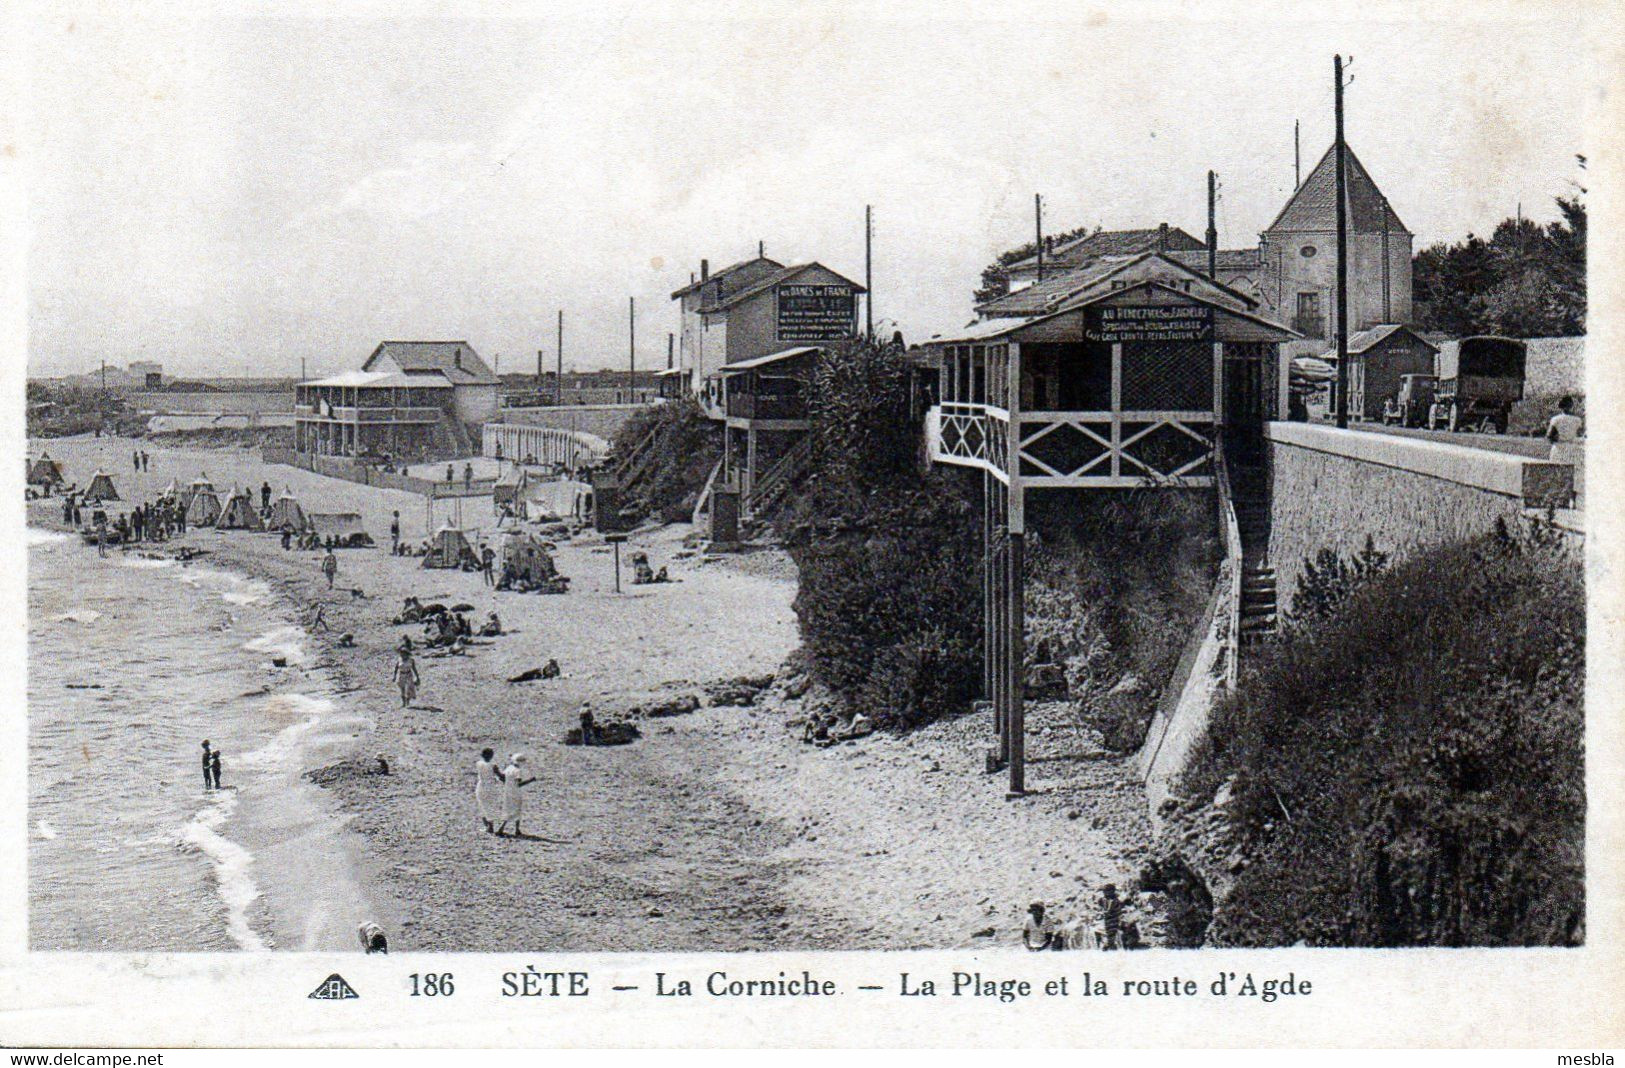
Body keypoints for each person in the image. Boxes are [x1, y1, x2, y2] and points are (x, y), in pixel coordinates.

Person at [496, 752, 535, 837]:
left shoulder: (509, 768)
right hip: (516, 792)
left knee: (508, 808)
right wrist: (530, 780)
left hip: (507, 791)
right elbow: (519, 784)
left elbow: (502, 778)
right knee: (516, 810)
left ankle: (516, 829)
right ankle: (502, 828)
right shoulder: (518, 771)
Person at [475, 747, 505, 834]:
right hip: (491, 787)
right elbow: (501, 777)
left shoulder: (478, 763)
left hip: (481, 786)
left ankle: (488, 826)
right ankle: (490, 826)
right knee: (490, 805)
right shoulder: (493, 766)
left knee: (482, 805)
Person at [1547, 395, 1584, 464]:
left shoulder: (1556, 419)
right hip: (1572, 448)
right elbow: (1580, 435)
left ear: (1561, 407)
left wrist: (1556, 440)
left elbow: (1549, 436)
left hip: (1558, 448)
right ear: (1572, 406)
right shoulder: (1578, 420)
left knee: (1557, 470)